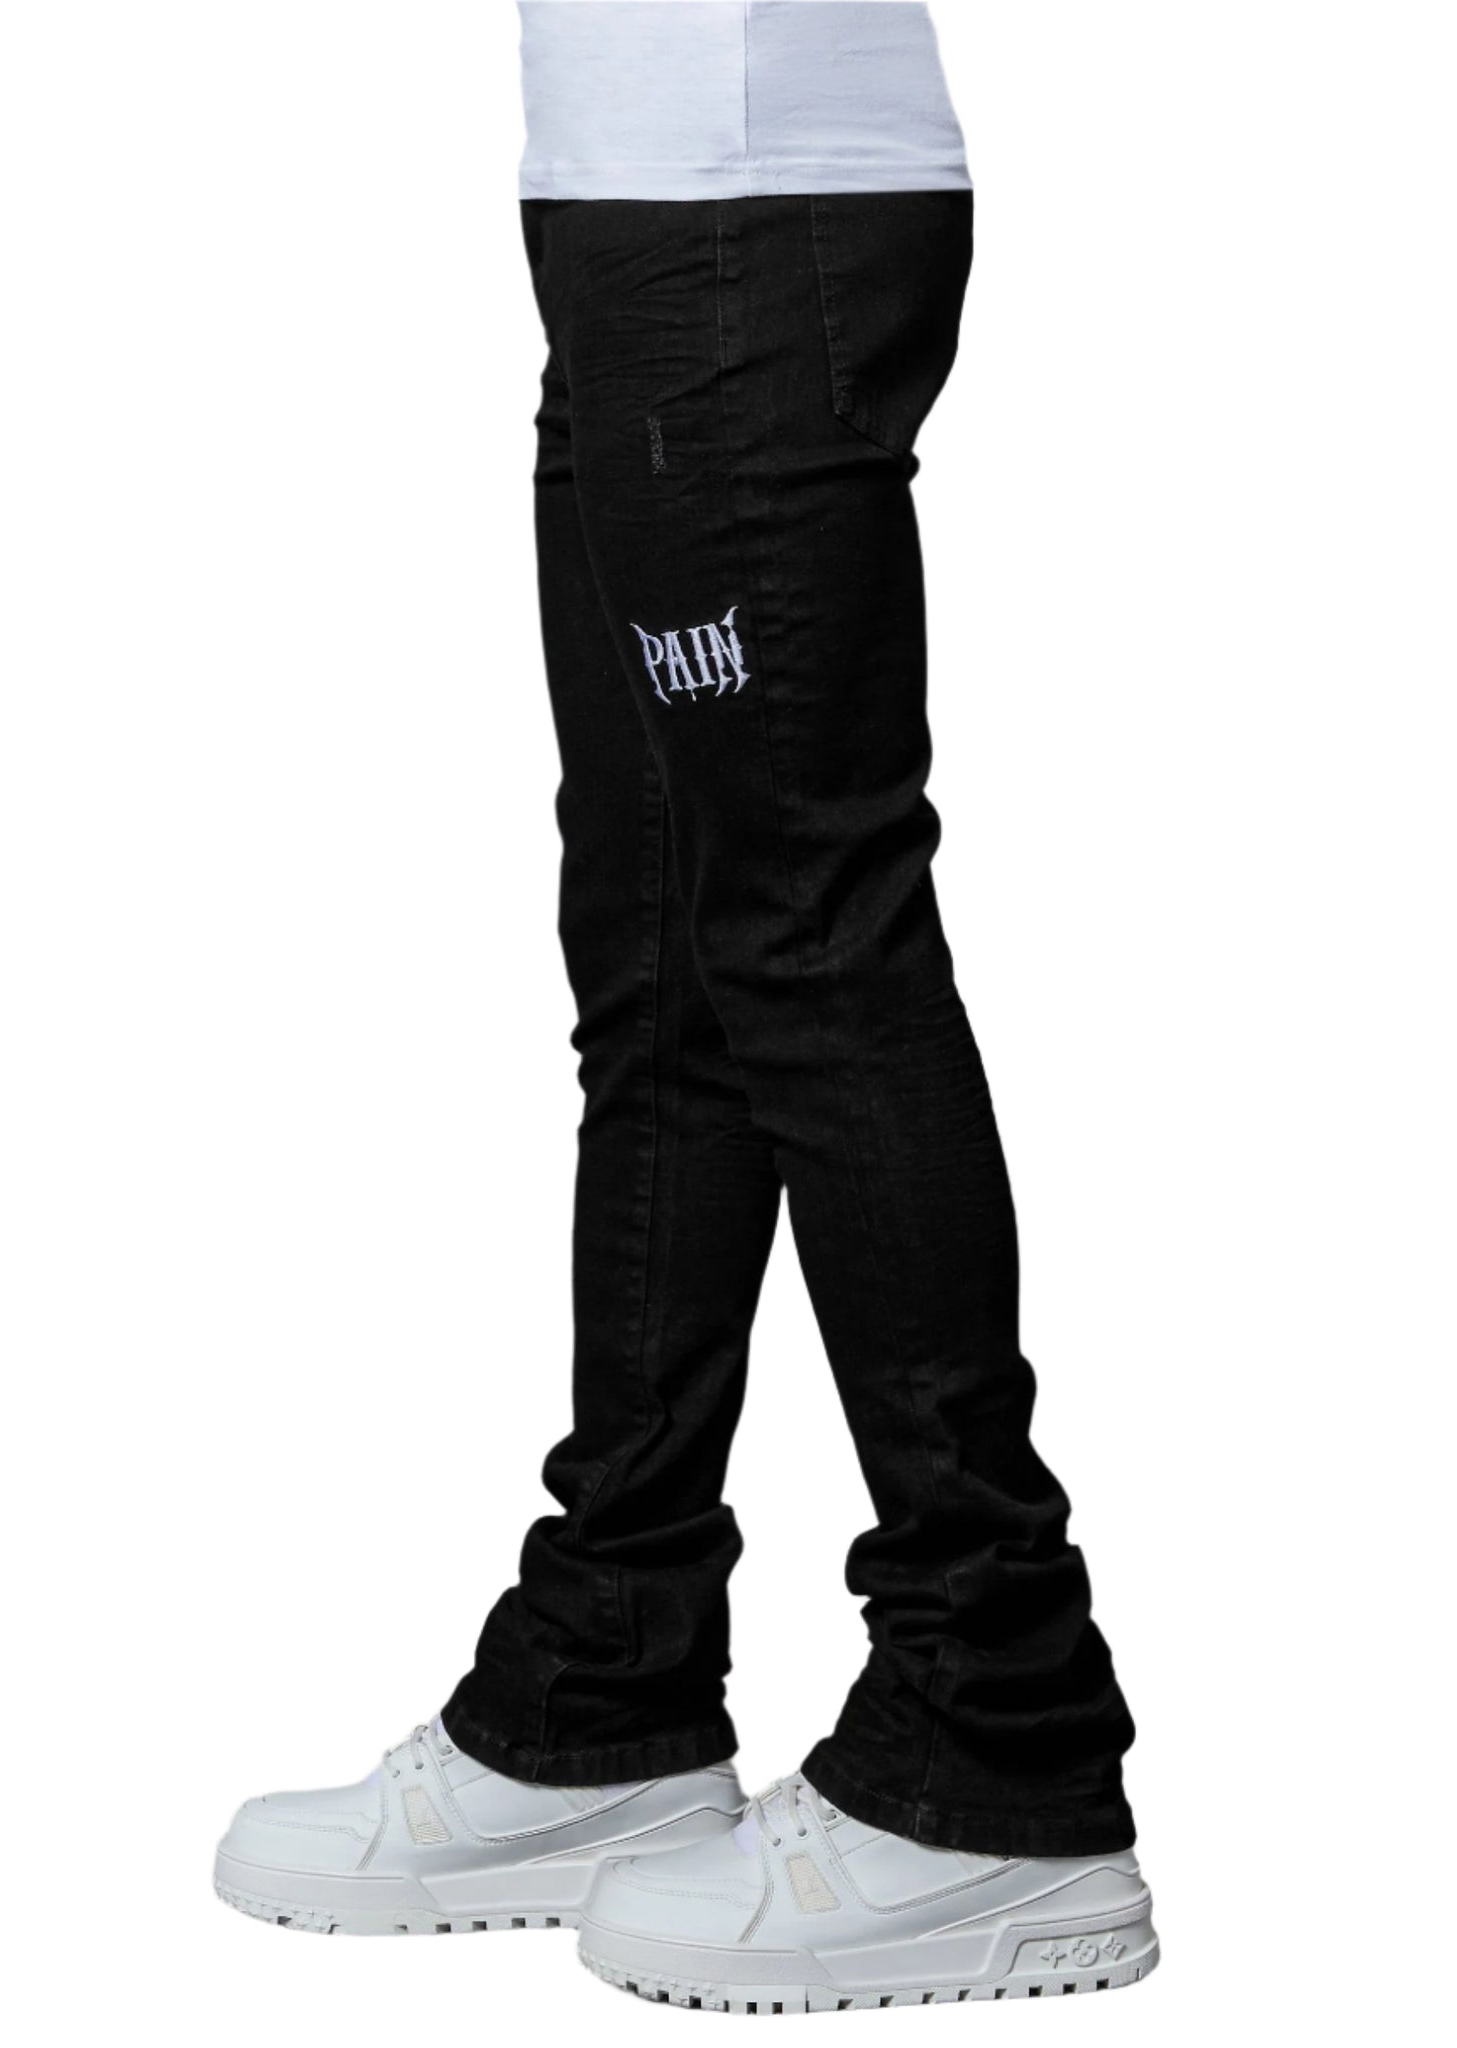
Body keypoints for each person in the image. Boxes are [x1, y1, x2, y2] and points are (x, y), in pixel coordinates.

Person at [215, 0, 1157, 2010]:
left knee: (810, 941)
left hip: (744, 211)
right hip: (636, 207)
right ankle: (611, 1677)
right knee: (665, 966)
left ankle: (1000, 1734)